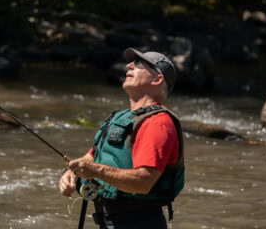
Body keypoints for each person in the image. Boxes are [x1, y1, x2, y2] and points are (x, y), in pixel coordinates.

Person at [59, 48, 184, 229]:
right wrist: (71, 173)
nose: (129, 65)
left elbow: (143, 182)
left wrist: (95, 170)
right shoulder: (123, 118)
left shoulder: (157, 123)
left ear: (157, 79)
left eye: (140, 63)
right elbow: (91, 158)